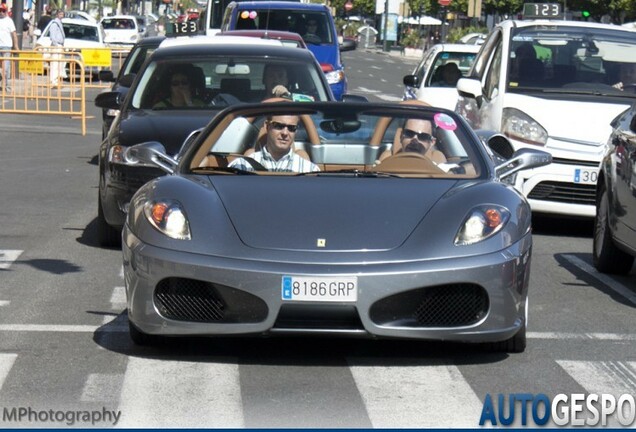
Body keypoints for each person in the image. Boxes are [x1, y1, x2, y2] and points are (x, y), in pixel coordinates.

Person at [229, 115, 320, 173]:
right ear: (267, 126)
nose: (285, 133)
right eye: (279, 126)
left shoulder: (309, 171)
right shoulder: (241, 166)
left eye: (291, 128)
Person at [0, 3, 19, 92]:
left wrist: (16, 46)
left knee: (5, 68)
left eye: (3, 11)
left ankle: (5, 86)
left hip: (6, 47)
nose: (1, 12)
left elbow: (14, 34)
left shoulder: (9, 21)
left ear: (6, 11)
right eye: (0, 10)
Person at [48, 9, 66, 86]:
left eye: (62, 14)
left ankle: (56, 80)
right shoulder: (55, 23)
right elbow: (52, 35)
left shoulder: (60, 23)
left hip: (60, 45)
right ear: (57, 15)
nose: (61, 16)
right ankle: (53, 81)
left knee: (59, 64)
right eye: (60, 14)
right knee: (55, 64)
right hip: (57, 45)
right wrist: (55, 45)